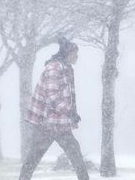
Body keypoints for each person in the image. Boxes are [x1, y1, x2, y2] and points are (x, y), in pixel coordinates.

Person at [19, 37, 89, 180]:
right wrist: (69, 112)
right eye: (75, 54)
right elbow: (52, 96)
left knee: (75, 154)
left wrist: (72, 113)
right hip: (46, 122)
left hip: (60, 122)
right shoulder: (54, 68)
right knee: (34, 156)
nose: (77, 57)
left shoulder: (67, 69)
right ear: (67, 54)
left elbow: (67, 96)